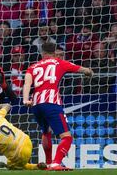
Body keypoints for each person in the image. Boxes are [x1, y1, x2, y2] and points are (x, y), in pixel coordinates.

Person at [22, 42, 93, 171]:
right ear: (54, 52)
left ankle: (49, 163)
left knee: (46, 131)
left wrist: (26, 99)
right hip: (51, 103)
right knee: (67, 137)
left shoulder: (32, 67)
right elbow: (81, 69)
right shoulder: (59, 62)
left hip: (36, 104)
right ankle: (56, 163)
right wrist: (88, 71)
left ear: (42, 53)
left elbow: (27, 84)